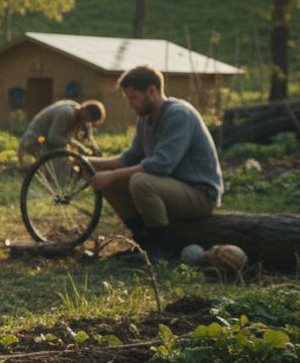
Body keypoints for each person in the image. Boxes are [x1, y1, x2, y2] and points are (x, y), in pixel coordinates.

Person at [86, 65, 221, 262]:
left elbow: (161, 165)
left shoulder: (179, 114)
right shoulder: (145, 118)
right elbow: (130, 158)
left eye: (133, 98)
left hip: (199, 194)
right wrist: (91, 164)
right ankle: (143, 243)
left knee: (140, 181)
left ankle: (161, 250)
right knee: (109, 184)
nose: (130, 104)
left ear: (151, 91)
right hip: (169, 187)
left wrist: (112, 175)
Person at [18, 99, 105, 161]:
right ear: (83, 109)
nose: (84, 123)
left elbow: (89, 139)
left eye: (88, 122)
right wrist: (75, 145)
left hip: (47, 145)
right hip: (35, 142)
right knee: (64, 169)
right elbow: (53, 138)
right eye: (85, 119)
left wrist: (94, 148)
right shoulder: (66, 113)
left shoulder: (80, 116)